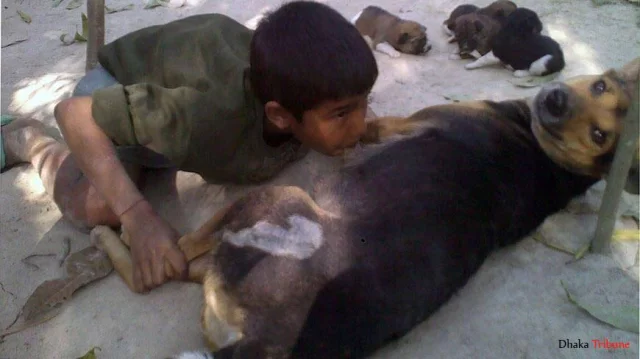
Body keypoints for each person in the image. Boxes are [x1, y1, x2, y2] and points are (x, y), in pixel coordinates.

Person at [0, 1, 378, 293]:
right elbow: (74, 113)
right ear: (280, 116)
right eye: (343, 113)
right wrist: (138, 216)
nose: (360, 124)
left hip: (173, 89)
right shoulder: (207, 117)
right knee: (98, 207)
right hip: (113, 90)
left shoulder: (298, 89)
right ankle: (29, 141)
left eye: (364, 102)